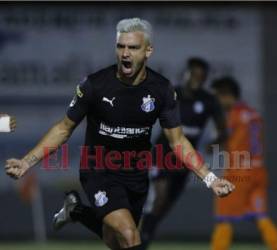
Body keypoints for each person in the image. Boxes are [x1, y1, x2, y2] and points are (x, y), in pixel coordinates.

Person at [5, 18, 234, 250]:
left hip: (136, 175)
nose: (125, 53)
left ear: (148, 51)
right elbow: (63, 129)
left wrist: (211, 179)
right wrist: (26, 162)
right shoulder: (95, 85)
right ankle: (79, 210)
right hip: (99, 170)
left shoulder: (161, 89)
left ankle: (76, 210)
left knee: (115, 242)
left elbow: (178, 142)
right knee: (130, 235)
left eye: (133, 48)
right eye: (121, 46)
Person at [140, 57, 227, 249]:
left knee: (165, 205)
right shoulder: (171, 94)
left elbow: (222, 129)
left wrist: (216, 142)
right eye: (194, 74)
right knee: (159, 197)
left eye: (201, 76)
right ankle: (141, 238)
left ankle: (145, 233)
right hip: (163, 153)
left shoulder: (208, 100)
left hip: (186, 158)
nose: (197, 79)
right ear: (186, 73)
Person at [210, 77, 277, 250]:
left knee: (224, 218)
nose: (217, 102)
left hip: (238, 173)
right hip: (258, 171)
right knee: (261, 217)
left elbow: (222, 138)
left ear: (227, 95)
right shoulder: (254, 114)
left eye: (217, 97)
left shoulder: (234, 115)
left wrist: (210, 144)